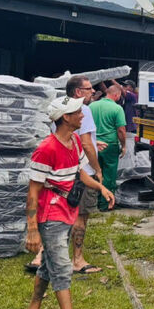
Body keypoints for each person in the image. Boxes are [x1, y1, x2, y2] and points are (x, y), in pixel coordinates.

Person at [23, 95, 114, 309]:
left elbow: (79, 172)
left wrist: (100, 187)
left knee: (48, 266)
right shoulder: (46, 149)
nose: (82, 115)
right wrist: (32, 230)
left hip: (66, 213)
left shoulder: (73, 141)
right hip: (50, 216)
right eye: (77, 112)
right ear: (65, 118)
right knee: (62, 269)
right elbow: (32, 193)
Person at [26, 76, 105, 274]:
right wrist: (97, 170)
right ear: (78, 92)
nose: (91, 92)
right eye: (88, 89)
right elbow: (86, 143)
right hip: (75, 176)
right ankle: (77, 259)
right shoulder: (81, 111)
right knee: (80, 216)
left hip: (64, 177)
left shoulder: (61, 111)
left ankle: (42, 257)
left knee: (57, 224)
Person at [89, 85, 126, 210]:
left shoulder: (91, 106)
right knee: (109, 175)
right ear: (116, 95)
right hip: (110, 145)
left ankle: (92, 202)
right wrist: (124, 145)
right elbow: (121, 130)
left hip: (93, 144)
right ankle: (106, 204)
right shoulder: (117, 108)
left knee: (94, 173)